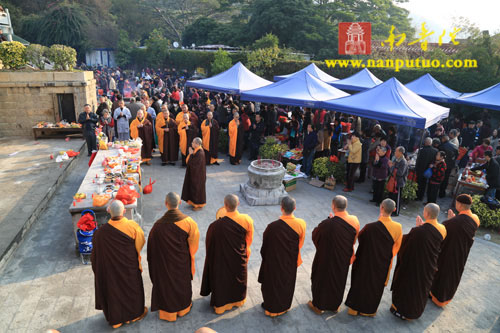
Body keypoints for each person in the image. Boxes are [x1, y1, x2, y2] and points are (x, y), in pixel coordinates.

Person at [91, 200, 147, 328]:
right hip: (129, 267)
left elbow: (95, 255)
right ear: (124, 211)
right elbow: (140, 243)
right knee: (132, 288)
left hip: (110, 270)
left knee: (113, 289)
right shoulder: (133, 226)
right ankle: (135, 314)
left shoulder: (100, 233)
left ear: (109, 212)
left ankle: (116, 320)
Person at [147, 192, 200, 322]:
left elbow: (151, 250)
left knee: (166, 286)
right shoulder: (189, 222)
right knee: (182, 283)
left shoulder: (157, 226)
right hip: (181, 262)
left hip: (164, 264)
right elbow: (193, 245)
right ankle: (183, 309)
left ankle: (167, 314)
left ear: (166, 204)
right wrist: (187, 256)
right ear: (180, 203)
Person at [345, 199, 402, 316]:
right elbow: (396, 246)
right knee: (376, 285)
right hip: (383, 262)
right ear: (394, 210)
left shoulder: (370, 227)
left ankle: (354, 309)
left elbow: (360, 238)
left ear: (381, 207)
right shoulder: (398, 227)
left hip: (366, 260)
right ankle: (369, 311)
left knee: (361, 282)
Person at [390, 203, 447, 320]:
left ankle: (403, 312)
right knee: (422, 288)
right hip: (430, 265)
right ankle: (416, 311)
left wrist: (418, 228)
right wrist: (421, 228)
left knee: (409, 286)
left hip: (415, 265)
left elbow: (406, 245)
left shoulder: (418, 231)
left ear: (426, 213)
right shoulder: (443, 229)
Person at [201, 195, 254, 314]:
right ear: (238, 204)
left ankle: (220, 306)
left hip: (221, 260)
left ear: (225, 206)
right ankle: (238, 301)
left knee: (222, 279)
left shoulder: (215, 226)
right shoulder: (247, 220)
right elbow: (248, 241)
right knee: (237, 279)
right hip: (238, 257)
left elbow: (209, 245)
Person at [308, 195, 359, 314]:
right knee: (339, 280)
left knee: (322, 279)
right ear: (346, 206)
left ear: (333, 206)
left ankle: (319, 306)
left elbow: (316, 235)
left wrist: (329, 220)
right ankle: (334, 306)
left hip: (326, 258)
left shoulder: (327, 223)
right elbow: (354, 240)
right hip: (343, 258)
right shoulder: (354, 220)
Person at [259, 196, 306, 317]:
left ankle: (270, 308)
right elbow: (300, 243)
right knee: (287, 283)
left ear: (281, 208)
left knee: (271, 283)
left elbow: (265, 246)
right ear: (295, 208)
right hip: (290, 261)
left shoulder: (272, 226)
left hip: (273, 262)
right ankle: (284, 307)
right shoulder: (301, 224)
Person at [430, 194, 480, 307]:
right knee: (455, 274)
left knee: (444, 273)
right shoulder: (475, 219)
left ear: (460, 205)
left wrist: (450, 221)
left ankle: (437, 298)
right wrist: (453, 220)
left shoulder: (454, 222)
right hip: (463, 252)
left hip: (449, 252)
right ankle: (447, 298)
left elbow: (443, 231)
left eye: (456, 203)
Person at [181, 138, 206, 210]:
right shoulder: (197, 150)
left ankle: (198, 205)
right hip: (196, 174)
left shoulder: (200, 153)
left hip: (198, 175)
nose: (192, 143)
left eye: (193, 142)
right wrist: (191, 154)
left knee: (196, 189)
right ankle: (193, 202)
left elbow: (193, 163)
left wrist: (191, 154)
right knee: (193, 187)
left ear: (197, 144)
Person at [387, 147, 408, 216]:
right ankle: (390, 209)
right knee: (391, 196)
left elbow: (400, 173)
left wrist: (392, 166)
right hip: (393, 180)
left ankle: (396, 212)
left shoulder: (403, 162)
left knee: (397, 198)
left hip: (399, 182)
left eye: (396, 151)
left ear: (400, 152)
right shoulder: (396, 159)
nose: (395, 152)